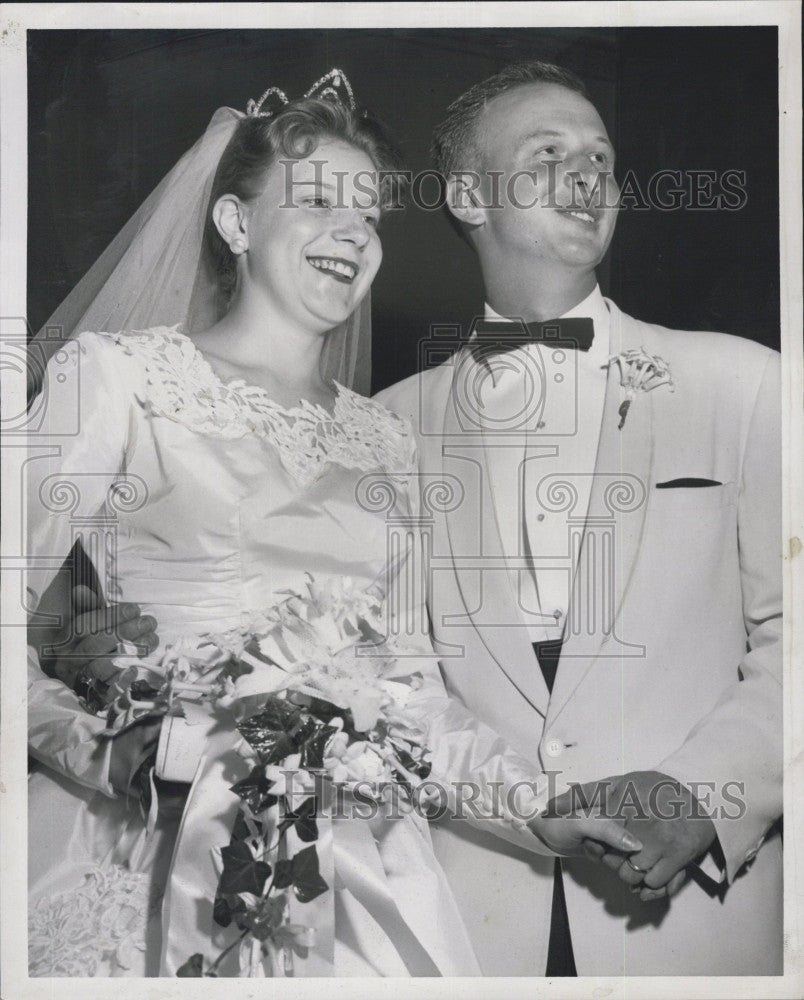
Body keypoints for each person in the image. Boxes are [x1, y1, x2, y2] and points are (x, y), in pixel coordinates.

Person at [26, 71, 638, 978]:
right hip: (143, 851)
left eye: (370, 214)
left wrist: (536, 804)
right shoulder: (117, 378)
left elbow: (413, 697)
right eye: (317, 202)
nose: (353, 231)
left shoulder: (390, 442)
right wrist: (101, 747)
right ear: (236, 225)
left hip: (358, 871)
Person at [376, 60, 782, 976]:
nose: (589, 175)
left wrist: (703, 794)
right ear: (468, 199)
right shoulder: (386, 429)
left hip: (695, 930)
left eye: (601, 156)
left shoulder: (746, 383)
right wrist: (522, 810)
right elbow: (394, 685)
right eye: (548, 152)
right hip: (467, 924)